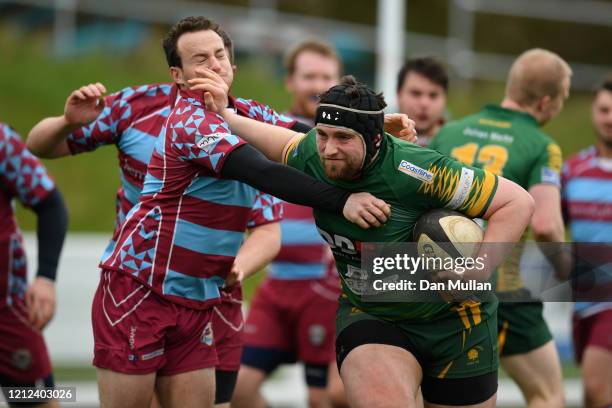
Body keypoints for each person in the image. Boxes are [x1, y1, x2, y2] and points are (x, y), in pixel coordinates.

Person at [89, 19, 390, 408]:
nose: (214, 65)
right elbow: (262, 171)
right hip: (140, 289)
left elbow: (306, 139)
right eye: (201, 59)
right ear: (178, 76)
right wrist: (341, 201)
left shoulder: (247, 113)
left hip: (199, 297)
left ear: (232, 65)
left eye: (219, 56)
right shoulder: (188, 121)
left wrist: (366, 130)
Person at [196, 72, 535, 407]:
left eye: (343, 138)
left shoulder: (417, 169)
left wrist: (476, 270)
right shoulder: (310, 154)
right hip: (373, 315)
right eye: (323, 135)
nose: (328, 149)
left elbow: (517, 202)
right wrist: (226, 114)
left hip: (456, 321)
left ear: (374, 140)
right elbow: (271, 136)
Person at [429, 48, 571, 408]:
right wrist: (570, 273)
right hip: (501, 281)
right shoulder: (541, 145)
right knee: (548, 394)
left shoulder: (449, 132)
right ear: (546, 102)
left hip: (439, 278)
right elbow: (545, 225)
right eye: (563, 99)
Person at [232, 38, 344, 408]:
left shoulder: (349, 141)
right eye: (309, 75)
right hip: (277, 288)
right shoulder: (268, 133)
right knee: (239, 388)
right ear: (289, 81)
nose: (317, 85)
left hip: (327, 291)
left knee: (324, 398)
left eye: (326, 77)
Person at [0, 123, 68, 407]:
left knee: (33, 398)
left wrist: (46, 278)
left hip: (6, 311)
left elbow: (50, 204)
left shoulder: (2, 142)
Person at [563, 76, 612, 408]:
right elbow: (551, 227)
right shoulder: (572, 170)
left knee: (596, 391)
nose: (610, 118)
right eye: (605, 109)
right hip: (584, 301)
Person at [397, 56, 448, 147]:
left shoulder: (458, 143)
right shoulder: (376, 140)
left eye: (433, 95)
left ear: (445, 98)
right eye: (416, 93)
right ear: (399, 94)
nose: (424, 103)